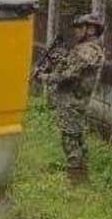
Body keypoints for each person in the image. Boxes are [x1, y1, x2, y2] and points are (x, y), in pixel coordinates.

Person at [37, 10, 106, 184]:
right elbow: (70, 67)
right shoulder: (86, 50)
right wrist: (58, 59)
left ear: (91, 29)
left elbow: (69, 74)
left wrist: (46, 77)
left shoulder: (87, 51)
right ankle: (81, 177)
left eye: (80, 27)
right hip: (75, 100)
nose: (76, 31)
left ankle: (76, 180)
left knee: (70, 140)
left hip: (73, 101)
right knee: (77, 137)